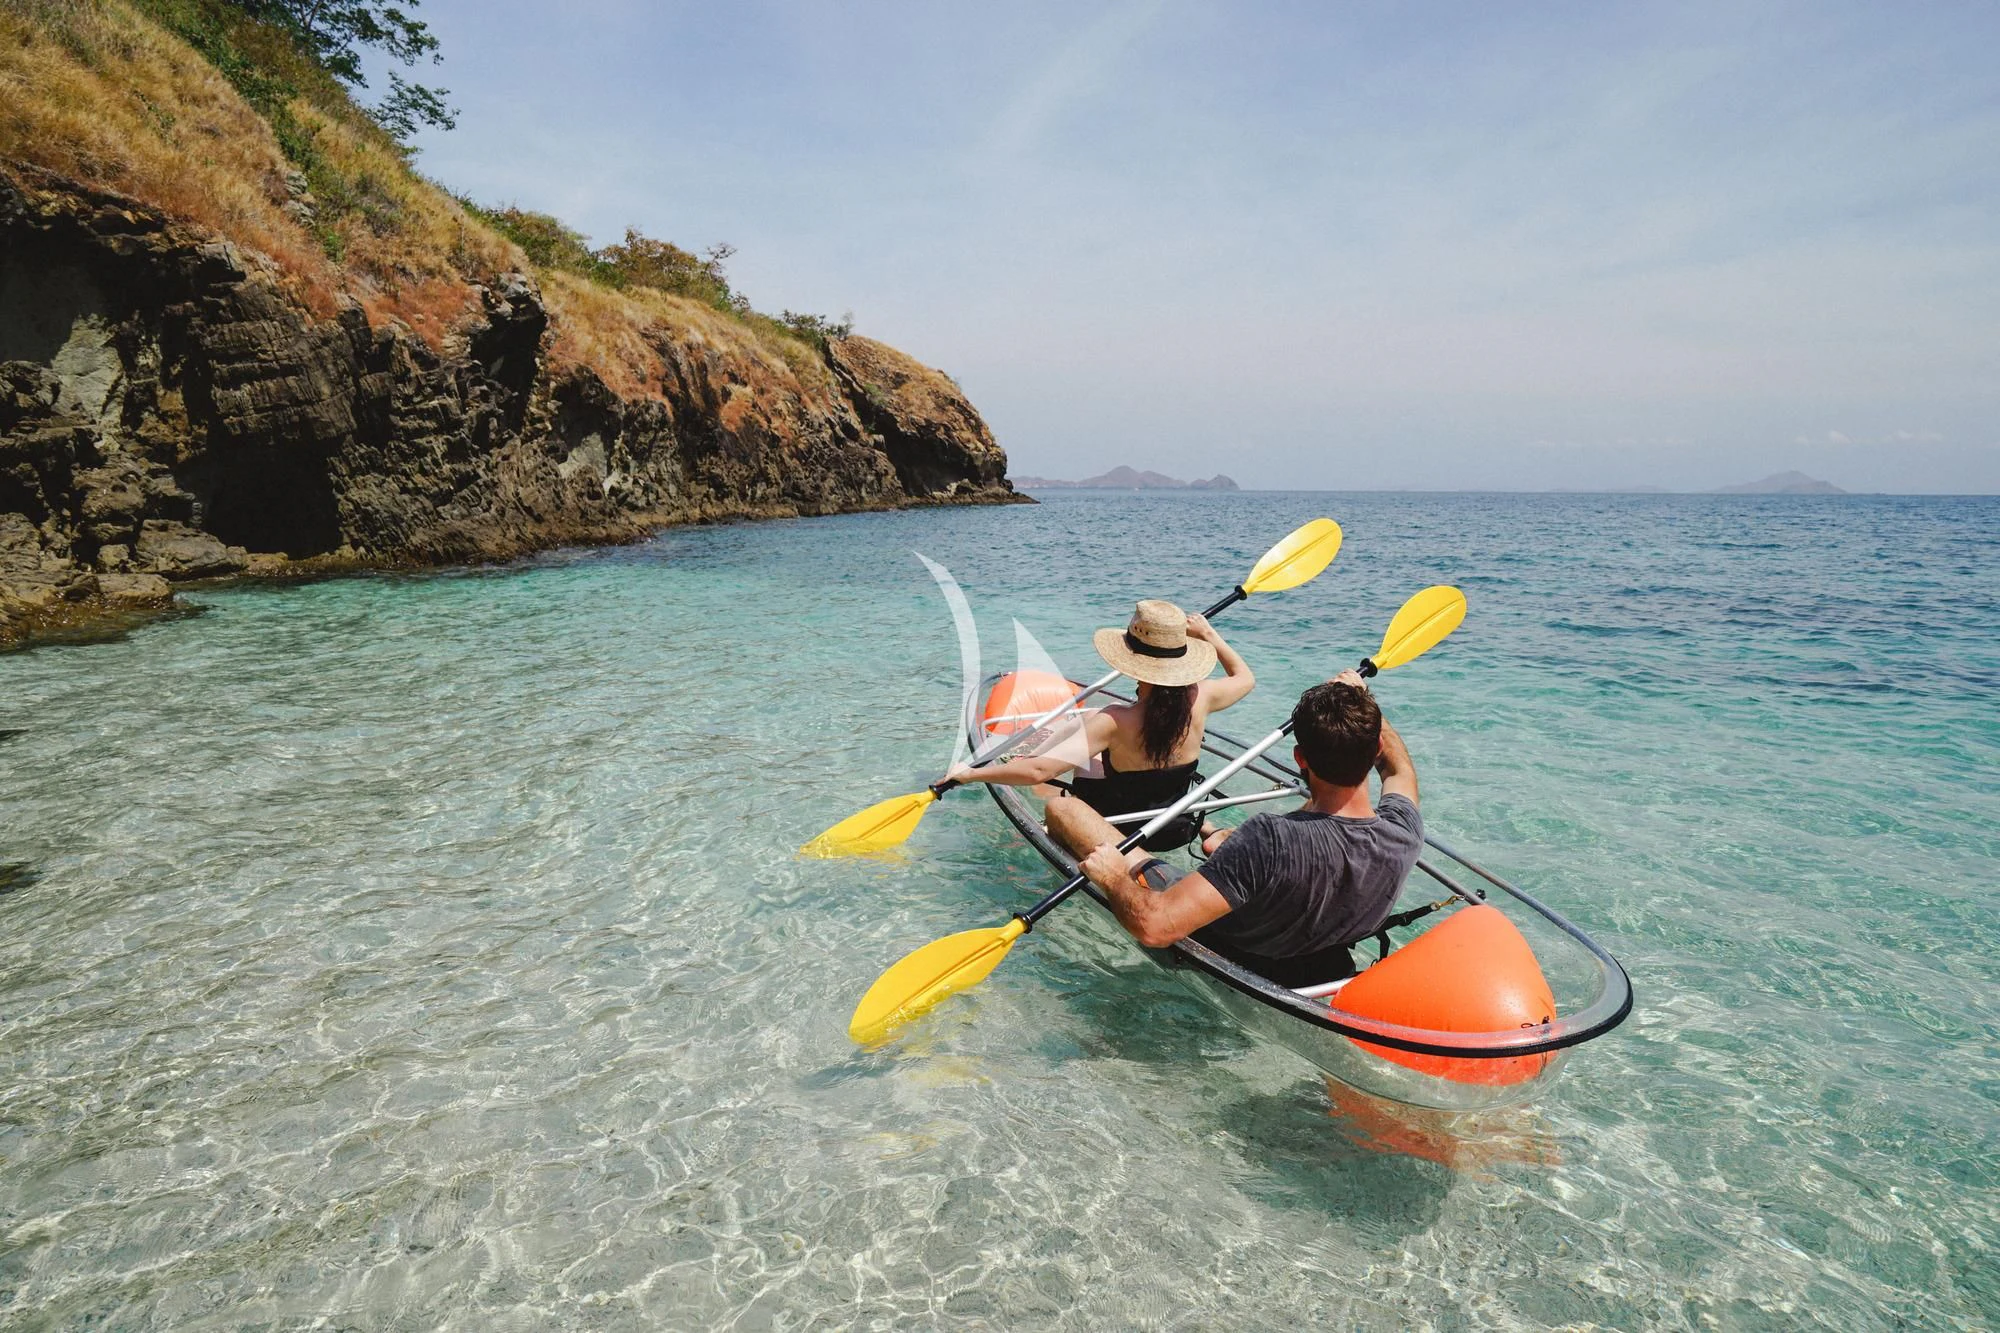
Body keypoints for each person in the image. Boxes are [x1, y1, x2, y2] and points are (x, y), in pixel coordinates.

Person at [1048, 669, 1421, 988]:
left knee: (1063, 808)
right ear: (1374, 751)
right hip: (1317, 955)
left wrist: (1114, 877)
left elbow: (1154, 927)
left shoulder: (1272, 839)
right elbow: (1399, 769)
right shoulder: (1403, 830)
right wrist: (1363, 701)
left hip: (1232, 946)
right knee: (1232, 850)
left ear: (1299, 758)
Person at [943, 599, 1254, 853]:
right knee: (1093, 720)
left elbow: (1040, 773)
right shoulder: (1203, 697)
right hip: (1175, 827)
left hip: (1119, 830)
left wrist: (969, 774)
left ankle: (1026, 756)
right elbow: (1245, 678)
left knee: (1089, 727)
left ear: (1133, 658)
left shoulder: (1116, 720)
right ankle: (1207, 828)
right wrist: (1210, 635)